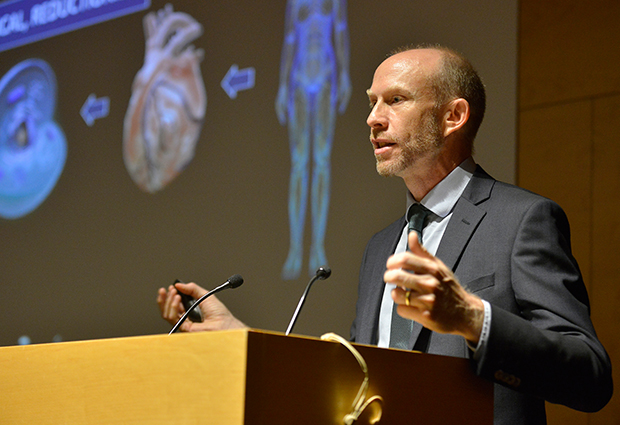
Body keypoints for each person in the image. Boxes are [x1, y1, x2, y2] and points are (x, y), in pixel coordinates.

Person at [157, 44, 613, 424]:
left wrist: (474, 319)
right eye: (372, 102)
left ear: (453, 116)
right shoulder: (381, 246)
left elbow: (590, 377)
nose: (373, 119)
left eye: (395, 100)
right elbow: (357, 378)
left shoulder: (521, 220)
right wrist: (240, 337)